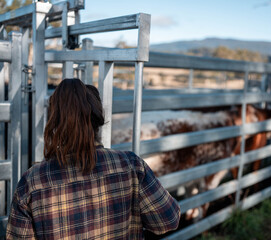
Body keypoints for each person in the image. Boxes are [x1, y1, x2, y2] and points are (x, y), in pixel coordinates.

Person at [6, 78, 180, 239]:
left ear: (55, 120)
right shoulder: (131, 165)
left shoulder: (32, 181)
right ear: (98, 120)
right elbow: (168, 221)